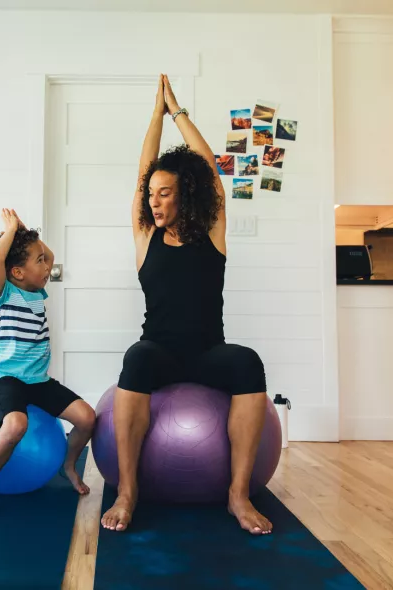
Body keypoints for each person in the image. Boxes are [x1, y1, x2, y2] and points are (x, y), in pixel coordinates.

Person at [100, 75, 272, 535]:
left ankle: (237, 495)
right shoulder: (145, 237)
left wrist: (178, 113)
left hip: (206, 352)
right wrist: (153, 116)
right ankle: (128, 491)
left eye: (165, 193)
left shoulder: (211, 234)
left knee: (248, 362)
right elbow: (142, 174)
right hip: (159, 349)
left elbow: (212, 173)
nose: (154, 201)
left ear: (184, 194)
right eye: (151, 194)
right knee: (136, 359)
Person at [0, 209, 95, 518]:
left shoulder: (37, 291)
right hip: (7, 379)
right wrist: (11, 231)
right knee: (16, 425)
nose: (47, 266)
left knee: (86, 418)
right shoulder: (2, 292)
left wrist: (29, 235)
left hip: (38, 380)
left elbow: (50, 254)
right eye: (38, 261)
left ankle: (68, 465)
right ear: (16, 272)